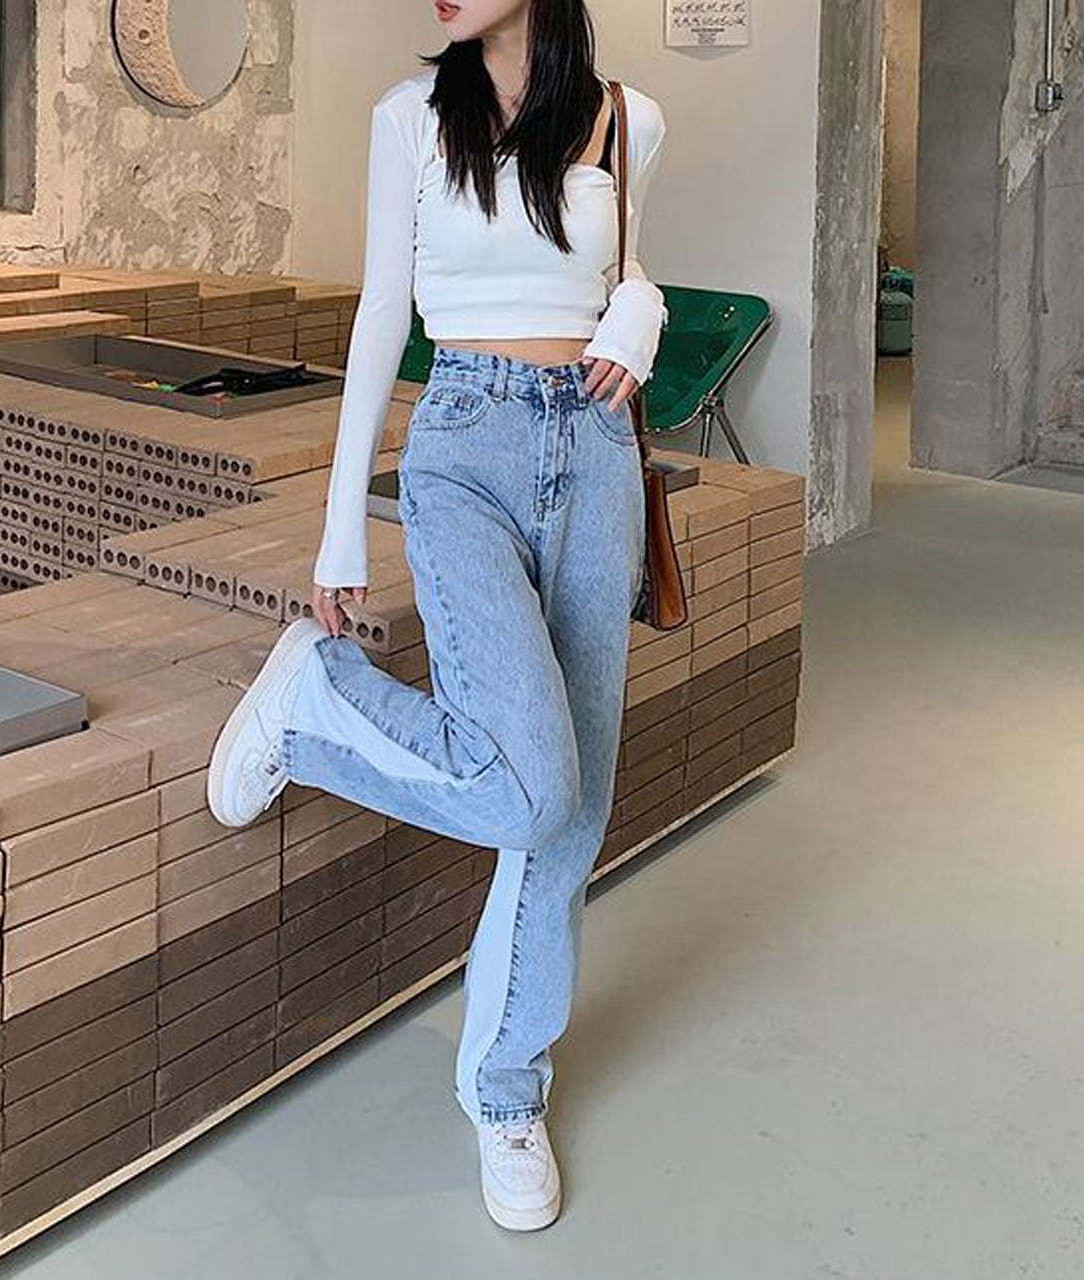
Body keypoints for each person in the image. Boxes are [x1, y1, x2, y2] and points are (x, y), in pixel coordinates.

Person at [206, 0, 667, 1233]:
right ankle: (312, 699)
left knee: (573, 809)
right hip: (460, 442)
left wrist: (644, 309)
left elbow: (621, 273)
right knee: (527, 787)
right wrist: (339, 526)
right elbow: (381, 313)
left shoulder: (628, 118)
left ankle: (505, 1087)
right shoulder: (409, 117)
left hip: (596, 455)